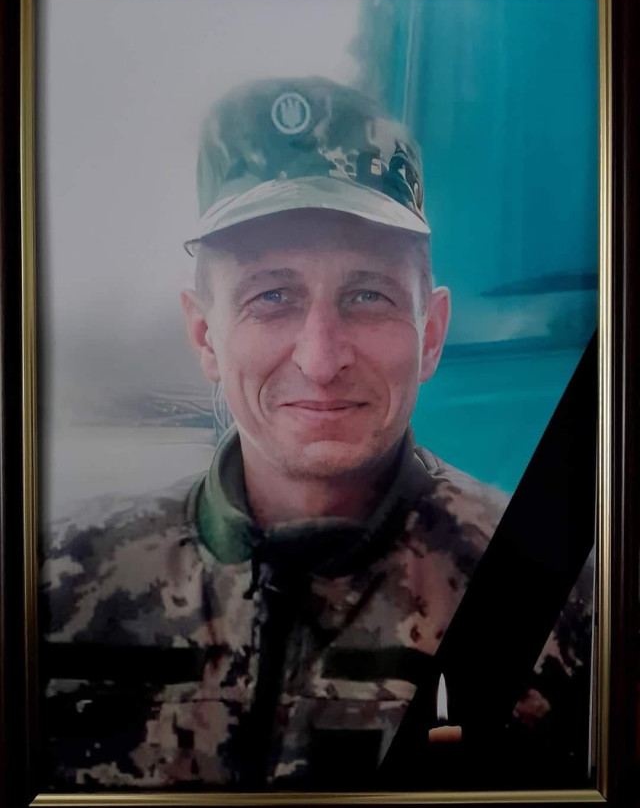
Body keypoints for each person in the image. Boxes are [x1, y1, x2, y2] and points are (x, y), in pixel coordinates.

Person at [39, 77, 593, 791]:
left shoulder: (558, 598)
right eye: (272, 296)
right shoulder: (62, 584)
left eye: (368, 295)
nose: (322, 359)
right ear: (205, 334)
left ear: (430, 335)